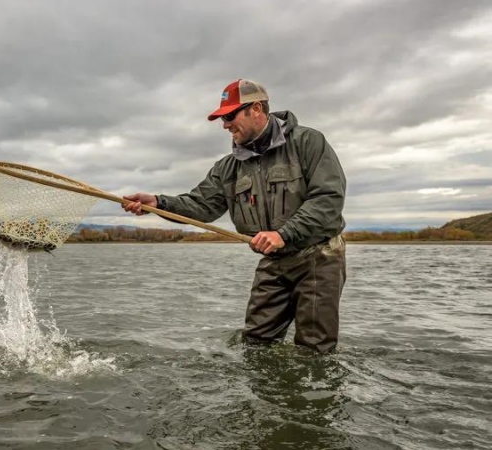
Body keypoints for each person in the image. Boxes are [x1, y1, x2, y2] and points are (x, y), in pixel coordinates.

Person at [123, 79, 347, 354]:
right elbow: (199, 206)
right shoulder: (227, 168)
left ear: (256, 109)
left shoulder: (309, 142)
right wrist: (157, 202)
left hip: (318, 258)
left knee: (315, 351)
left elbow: (328, 199)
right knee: (254, 345)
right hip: (273, 262)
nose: (225, 125)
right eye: (222, 119)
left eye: (230, 116)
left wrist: (283, 234)